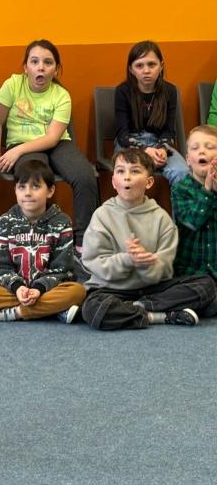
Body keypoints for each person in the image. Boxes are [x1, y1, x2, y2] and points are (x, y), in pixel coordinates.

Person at [81, 148, 216, 330]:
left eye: (135, 171)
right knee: (93, 308)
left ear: (149, 182)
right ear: (113, 181)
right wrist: (128, 259)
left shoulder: (162, 218)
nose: (126, 177)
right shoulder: (102, 215)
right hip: (113, 288)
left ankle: (136, 308)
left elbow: (165, 268)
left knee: (206, 285)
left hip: (153, 287)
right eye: (120, 171)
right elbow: (94, 262)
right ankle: (159, 315)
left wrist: (146, 263)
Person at [0, 38, 98, 256]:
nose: (41, 67)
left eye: (48, 62)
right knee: (34, 178)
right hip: (21, 144)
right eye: (34, 61)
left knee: (85, 176)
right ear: (25, 67)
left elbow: (52, 138)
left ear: (56, 69)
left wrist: (17, 151)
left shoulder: (61, 95)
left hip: (55, 144)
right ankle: (33, 242)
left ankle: (82, 243)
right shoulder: (13, 85)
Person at [0, 159, 86, 323]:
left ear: (50, 191)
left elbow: (63, 270)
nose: (27, 193)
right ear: (15, 190)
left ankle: (7, 314)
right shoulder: (3, 223)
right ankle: (52, 310)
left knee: (77, 291)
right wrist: (18, 287)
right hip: (12, 289)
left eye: (35, 187)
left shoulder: (62, 223)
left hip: (47, 289)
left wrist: (39, 289)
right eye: (22, 187)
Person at [114, 40, 188, 186]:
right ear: (131, 69)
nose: (146, 70)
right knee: (132, 174)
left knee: (182, 172)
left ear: (161, 66)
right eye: (139, 65)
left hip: (159, 142)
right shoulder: (122, 91)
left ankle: (180, 203)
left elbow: (169, 131)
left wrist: (162, 149)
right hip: (128, 144)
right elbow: (122, 135)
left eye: (151, 64)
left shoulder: (170, 91)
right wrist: (145, 150)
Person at [172, 125, 217, 280]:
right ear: (188, 160)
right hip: (191, 272)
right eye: (195, 148)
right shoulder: (181, 188)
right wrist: (207, 191)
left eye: (209, 147)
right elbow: (192, 222)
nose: (202, 151)